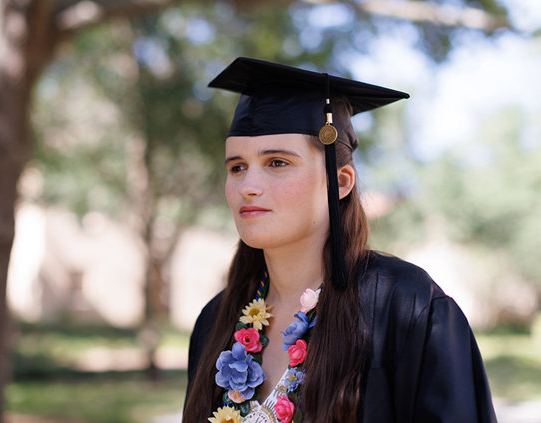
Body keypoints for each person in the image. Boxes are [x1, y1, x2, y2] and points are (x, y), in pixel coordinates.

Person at [183, 57, 497, 423]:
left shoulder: (404, 306)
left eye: (277, 163)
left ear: (342, 182)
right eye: (237, 167)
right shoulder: (215, 322)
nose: (248, 187)